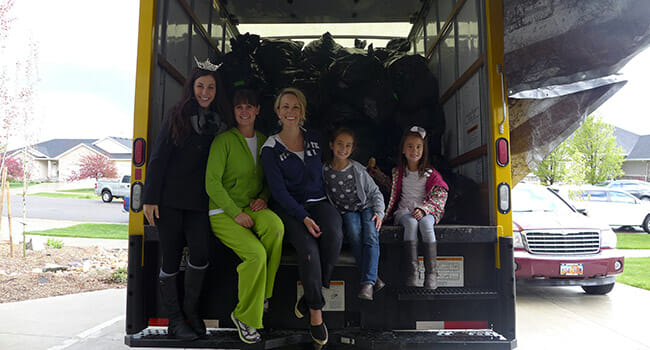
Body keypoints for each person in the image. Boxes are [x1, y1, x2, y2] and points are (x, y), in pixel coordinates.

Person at [142, 58, 232, 340]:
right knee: (170, 259)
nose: (205, 92)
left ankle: (191, 311)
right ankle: (175, 319)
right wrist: (150, 197)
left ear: (217, 91)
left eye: (211, 87)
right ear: (192, 88)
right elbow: (158, 157)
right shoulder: (177, 115)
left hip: (199, 203)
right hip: (169, 200)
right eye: (200, 86)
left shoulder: (221, 122)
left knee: (200, 253)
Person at [260, 87, 343, 347]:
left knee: (335, 233)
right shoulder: (270, 147)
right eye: (285, 106)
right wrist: (303, 217)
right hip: (288, 207)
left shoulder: (315, 139)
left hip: (318, 201)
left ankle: (309, 297)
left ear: (303, 112)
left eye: (296, 107)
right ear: (277, 111)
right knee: (308, 250)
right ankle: (316, 316)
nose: (290, 112)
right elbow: (278, 191)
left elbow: (334, 164)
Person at [205, 89, 284, 344]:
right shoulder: (224, 141)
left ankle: (263, 295)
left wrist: (264, 196)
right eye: (240, 107)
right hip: (223, 211)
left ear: (258, 110)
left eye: (250, 106)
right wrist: (235, 213)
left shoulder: (265, 141)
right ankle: (244, 316)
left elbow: (271, 178)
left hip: (252, 207)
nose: (244, 111)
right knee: (256, 255)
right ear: (234, 111)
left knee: (275, 226)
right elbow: (212, 183)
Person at [370, 126, 448, 290]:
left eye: (418, 147)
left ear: (423, 150)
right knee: (411, 224)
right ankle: (412, 271)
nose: (414, 150)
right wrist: (377, 175)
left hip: (426, 211)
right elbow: (394, 188)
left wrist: (425, 209)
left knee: (427, 225)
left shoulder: (430, 174)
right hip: (405, 212)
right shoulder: (398, 172)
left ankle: (431, 273)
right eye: (410, 146)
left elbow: (441, 194)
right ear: (403, 150)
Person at [322, 127, 386, 300]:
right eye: (340, 144)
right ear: (331, 145)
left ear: (352, 149)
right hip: (346, 211)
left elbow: (375, 192)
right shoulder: (325, 171)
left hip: (366, 207)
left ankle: (367, 283)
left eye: (348, 146)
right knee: (355, 234)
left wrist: (379, 213)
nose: (343, 149)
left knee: (371, 235)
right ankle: (373, 278)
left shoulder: (357, 169)